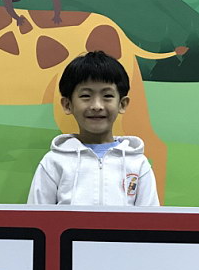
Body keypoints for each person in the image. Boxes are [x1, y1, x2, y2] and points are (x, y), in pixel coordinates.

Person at [27, 51, 159, 206]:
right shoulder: (53, 162)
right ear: (67, 105)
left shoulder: (137, 164)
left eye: (107, 96)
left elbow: (150, 218)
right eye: (85, 96)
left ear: (122, 104)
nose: (97, 106)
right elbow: (36, 217)